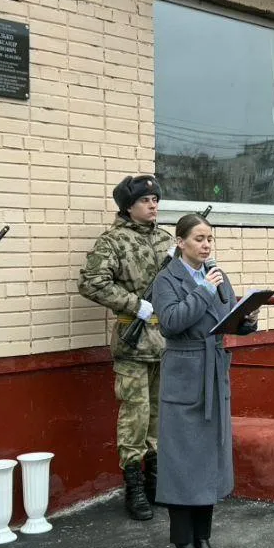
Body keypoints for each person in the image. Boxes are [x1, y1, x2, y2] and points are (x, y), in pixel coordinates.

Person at [150, 213, 258, 548]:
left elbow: (225, 320)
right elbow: (172, 322)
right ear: (180, 242)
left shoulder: (218, 275)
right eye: (199, 238)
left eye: (209, 238)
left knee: (209, 457)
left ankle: (203, 538)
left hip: (214, 371)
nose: (206, 245)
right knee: (184, 459)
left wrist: (247, 322)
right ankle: (183, 542)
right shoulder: (166, 279)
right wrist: (204, 290)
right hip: (184, 372)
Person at [78, 175, 174, 520]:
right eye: (146, 200)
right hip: (132, 342)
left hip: (166, 343)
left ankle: (155, 481)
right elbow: (91, 283)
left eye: (155, 199)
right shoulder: (113, 242)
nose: (153, 205)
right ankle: (133, 487)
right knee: (134, 416)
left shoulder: (167, 240)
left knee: (159, 415)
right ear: (128, 206)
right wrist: (135, 304)